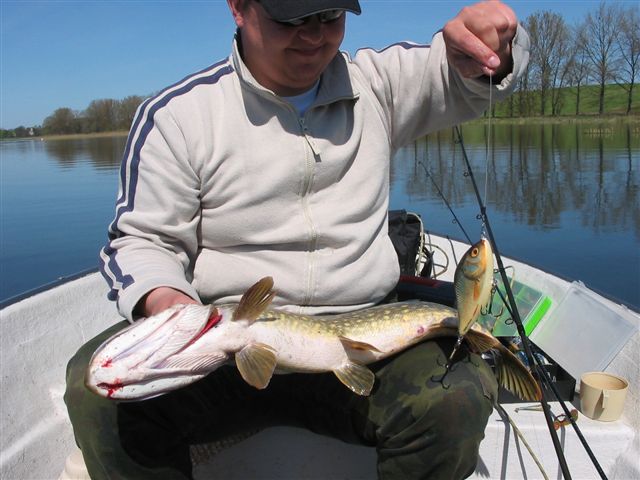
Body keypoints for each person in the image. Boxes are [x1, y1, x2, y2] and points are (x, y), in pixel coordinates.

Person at [65, 0, 530, 478]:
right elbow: (143, 241)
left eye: (329, 16)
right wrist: (172, 310)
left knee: (455, 398)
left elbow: (456, 76)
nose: (313, 35)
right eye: (291, 18)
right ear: (239, 8)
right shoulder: (179, 116)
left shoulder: (375, 84)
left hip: (365, 342)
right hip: (224, 357)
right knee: (97, 396)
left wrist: (491, 47)